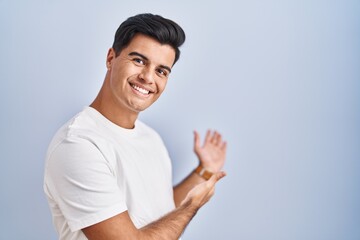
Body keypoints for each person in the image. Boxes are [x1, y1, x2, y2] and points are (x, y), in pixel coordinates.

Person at [44, 13, 227, 240]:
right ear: (111, 58)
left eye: (161, 71)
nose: (148, 78)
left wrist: (203, 171)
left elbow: (158, 210)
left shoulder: (151, 138)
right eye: (139, 60)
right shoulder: (78, 145)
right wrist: (191, 208)